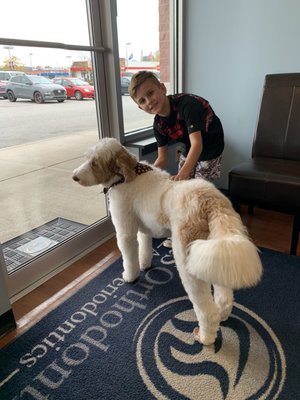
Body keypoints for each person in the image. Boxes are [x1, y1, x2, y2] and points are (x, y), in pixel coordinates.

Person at [128, 71, 224, 248]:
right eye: (142, 100)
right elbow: (162, 159)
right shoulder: (158, 124)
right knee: (181, 192)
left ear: (162, 88)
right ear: (140, 107)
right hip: (191, 146)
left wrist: (183, 174)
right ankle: (183, 232)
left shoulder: (187, 105)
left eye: (150, 93)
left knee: (197, 193)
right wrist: (143, 174)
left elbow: (198, 145)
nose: (149, 101)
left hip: (210, 146)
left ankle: (202, 236)